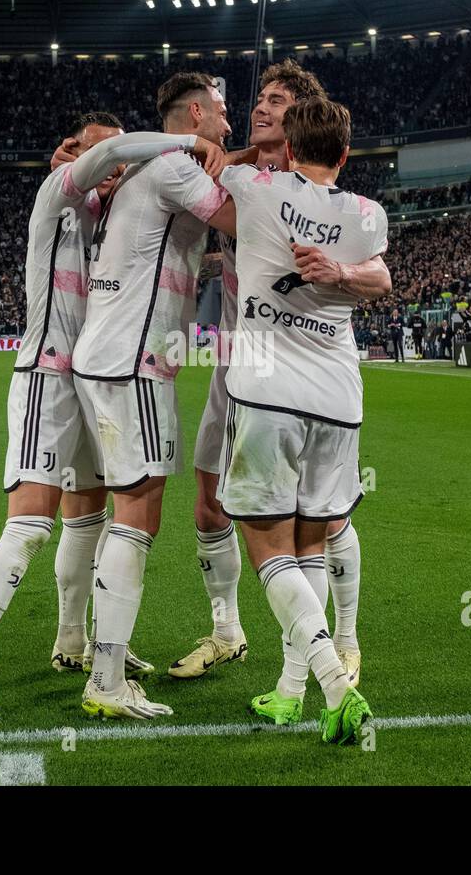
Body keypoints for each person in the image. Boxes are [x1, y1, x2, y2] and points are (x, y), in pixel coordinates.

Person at [0, 113, 228, 725]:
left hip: (89, 380)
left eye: (119, 164)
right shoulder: (58, 195)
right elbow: (115, 152)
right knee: (29, 527)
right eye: (102, 157)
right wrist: (188, 142)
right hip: (46, 377)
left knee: (88, 520)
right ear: (71, 153)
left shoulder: (109, 218)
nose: (115, 170)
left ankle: (73, 644)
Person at [170, 62, 384, 687]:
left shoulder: (319, 196)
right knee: (210, 506)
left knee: (324, 523)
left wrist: (341, 274)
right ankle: (228, 631)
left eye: (278, 102)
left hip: (292, 368)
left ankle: (342, 639)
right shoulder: (247, 181)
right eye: (258, 99)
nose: (261, 107)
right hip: (237, 364)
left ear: (300, 123)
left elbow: (379, 276)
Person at [69, 72, 238, 719]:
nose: (229, 123)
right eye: (221, 114)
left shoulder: (154, 167)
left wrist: (231, 160)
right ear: (194, 113)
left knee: (123, 513)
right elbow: (235, 216)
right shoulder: (172, 166)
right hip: (135, 362)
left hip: (107, 357)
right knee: (138, 514)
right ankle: (107, 681)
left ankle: (100, 651)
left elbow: (219, 177)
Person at [217, 95, 387, 743]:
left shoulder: (255, 187)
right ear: (344, 156)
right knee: (310, 544)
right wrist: (340, 270)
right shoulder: (366, 214)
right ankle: (291, 692)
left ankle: (337, 688)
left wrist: (243, 151)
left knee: (269, 550)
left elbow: (210, 167)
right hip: (340, 400)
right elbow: (381, 276)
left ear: (288, 150)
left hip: (266, 390)